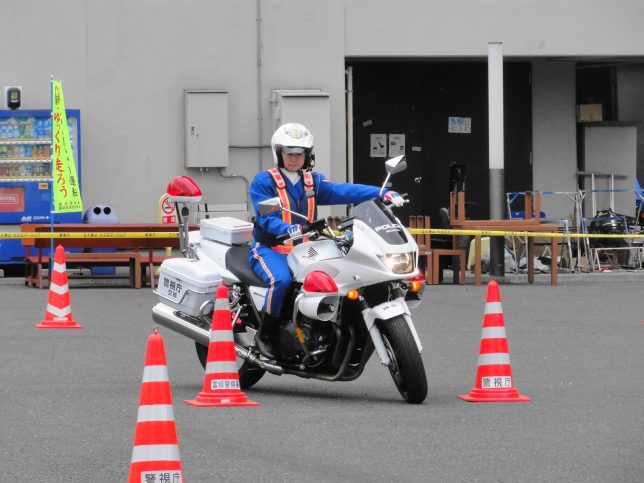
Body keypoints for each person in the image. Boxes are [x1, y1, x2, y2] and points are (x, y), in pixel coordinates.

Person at [248, 122, 404, 360]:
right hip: (272, 247)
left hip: (305, 247)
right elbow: (266, 217)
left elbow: (345, 191)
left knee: (336, 273)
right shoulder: (264, 181)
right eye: (289, 154)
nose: (294, 159)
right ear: (278, 154)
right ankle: (265, 334)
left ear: (307, 155)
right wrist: (287, 228)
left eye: (299, 154)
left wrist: (380, 193)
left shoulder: (312, 182)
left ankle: (324, 328)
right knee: (281, 281)